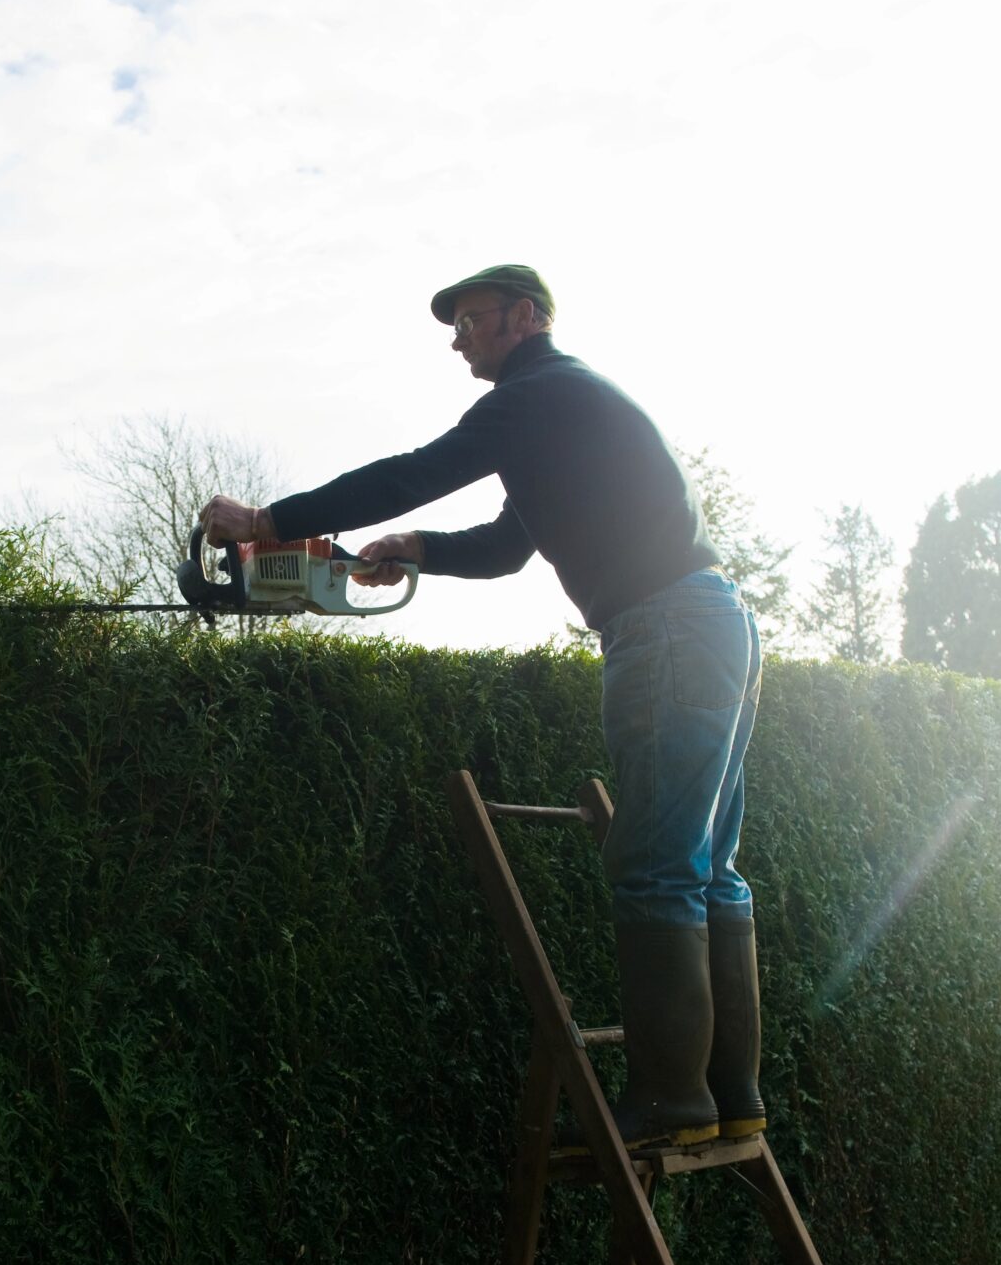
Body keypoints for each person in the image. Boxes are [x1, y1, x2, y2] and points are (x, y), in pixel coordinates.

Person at [197, 265, 764, 1150]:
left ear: (524, 318)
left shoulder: (538, 391)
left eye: (470, 319)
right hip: (711, 621)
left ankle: (672, 1103)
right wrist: (420, 550)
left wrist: (268, 518)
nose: (458, 337)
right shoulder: (561, 414)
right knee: (707, 865)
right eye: (453, 325)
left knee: (653, 865)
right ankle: (730, 1095)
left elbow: (416, 470)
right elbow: (508, 547)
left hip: (664, 631)